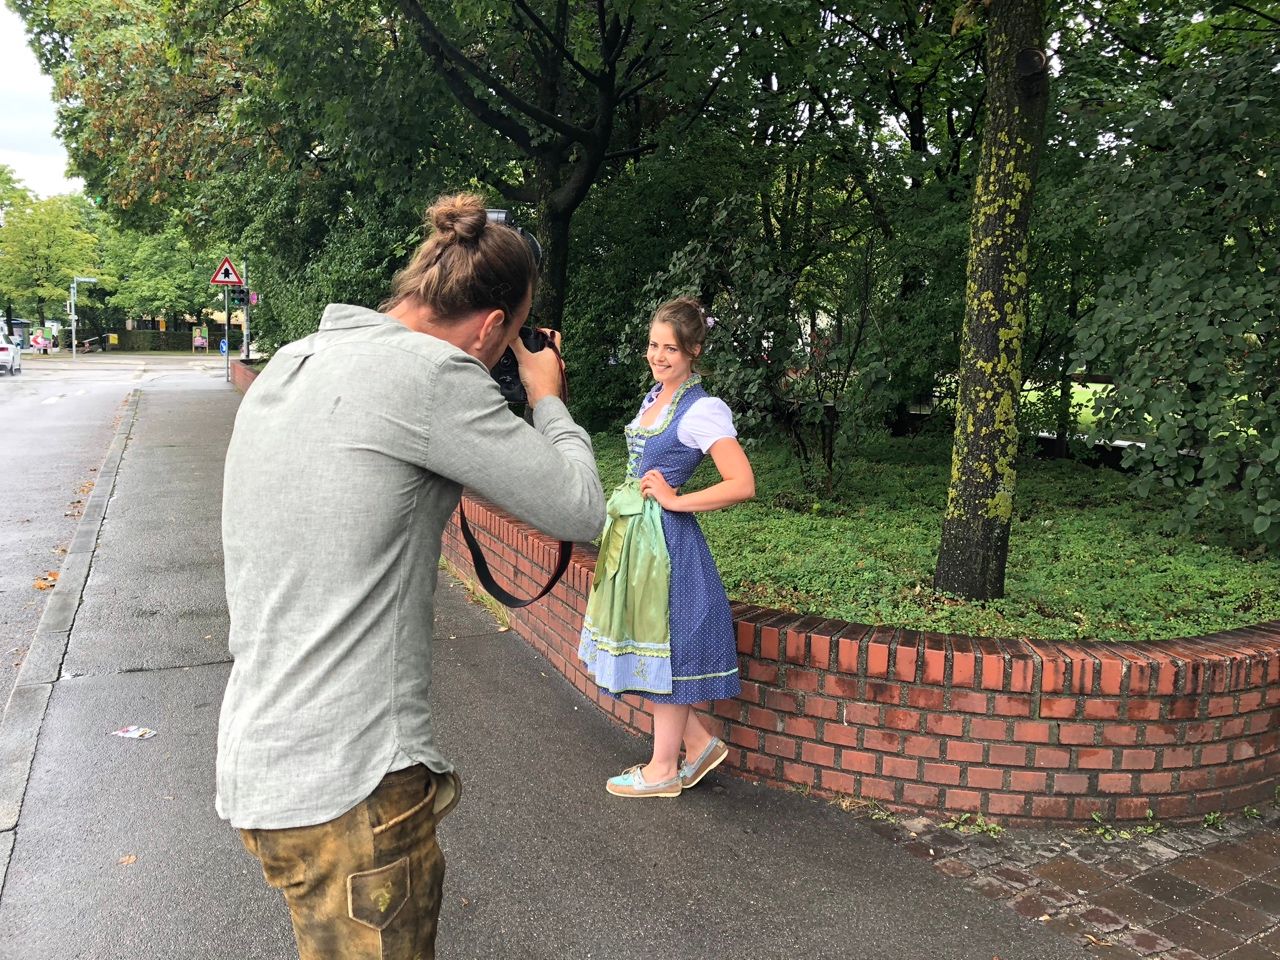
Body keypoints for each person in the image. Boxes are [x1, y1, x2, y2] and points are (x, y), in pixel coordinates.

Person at [218, 192, 606, 959]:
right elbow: (579, 508)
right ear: (495, 324)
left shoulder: (296, 360)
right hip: (354, 789)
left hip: (261, 763)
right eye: (509, 338)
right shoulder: (430, 377)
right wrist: (547, 399)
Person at [578, 297, 755, 798]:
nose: (658, 355)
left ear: (694, 350)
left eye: (670, 348)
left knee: (666, 647)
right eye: (654, 345)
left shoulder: (702, 410)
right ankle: (697, 745)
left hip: (667, 547)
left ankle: (662, 771)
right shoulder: (658, 394)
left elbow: (742, 482)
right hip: (636, 540)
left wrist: (677, 501)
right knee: (651, 646)